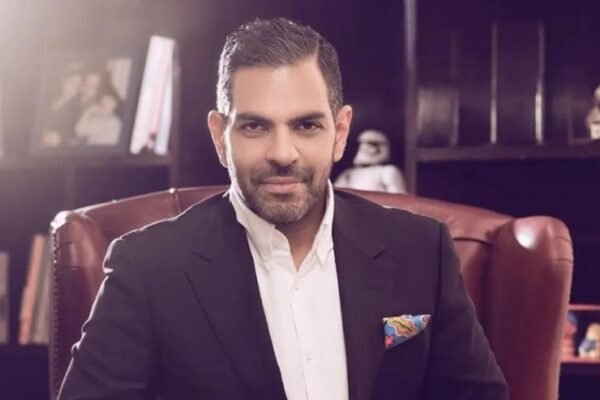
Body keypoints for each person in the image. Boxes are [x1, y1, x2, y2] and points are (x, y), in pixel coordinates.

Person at [58, 18, 507, 400]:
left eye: (306, 125)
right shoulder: (148, 267)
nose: (282, 153)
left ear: (340, 133)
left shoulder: (423, 250)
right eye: (255, 127)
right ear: (220, 137)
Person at [334, 129, 407, 193]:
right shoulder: (349, 174)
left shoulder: (388, 171)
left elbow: (398, 199)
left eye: (371, 144)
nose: (363, 147)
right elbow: (337, 195)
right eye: (362, 143)